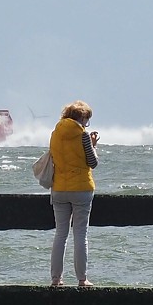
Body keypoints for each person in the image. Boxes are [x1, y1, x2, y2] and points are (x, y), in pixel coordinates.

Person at [48, 100, 100, 287]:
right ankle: (82, 279)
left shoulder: (55, 134)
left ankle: (56, 279)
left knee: (60, 234)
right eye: (87, 120)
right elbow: (92, 163)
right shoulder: (83, 136)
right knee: (80, 234)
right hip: (81, 189)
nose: (87, 124)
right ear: (82, 117)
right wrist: (94, 145)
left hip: (59, 188)